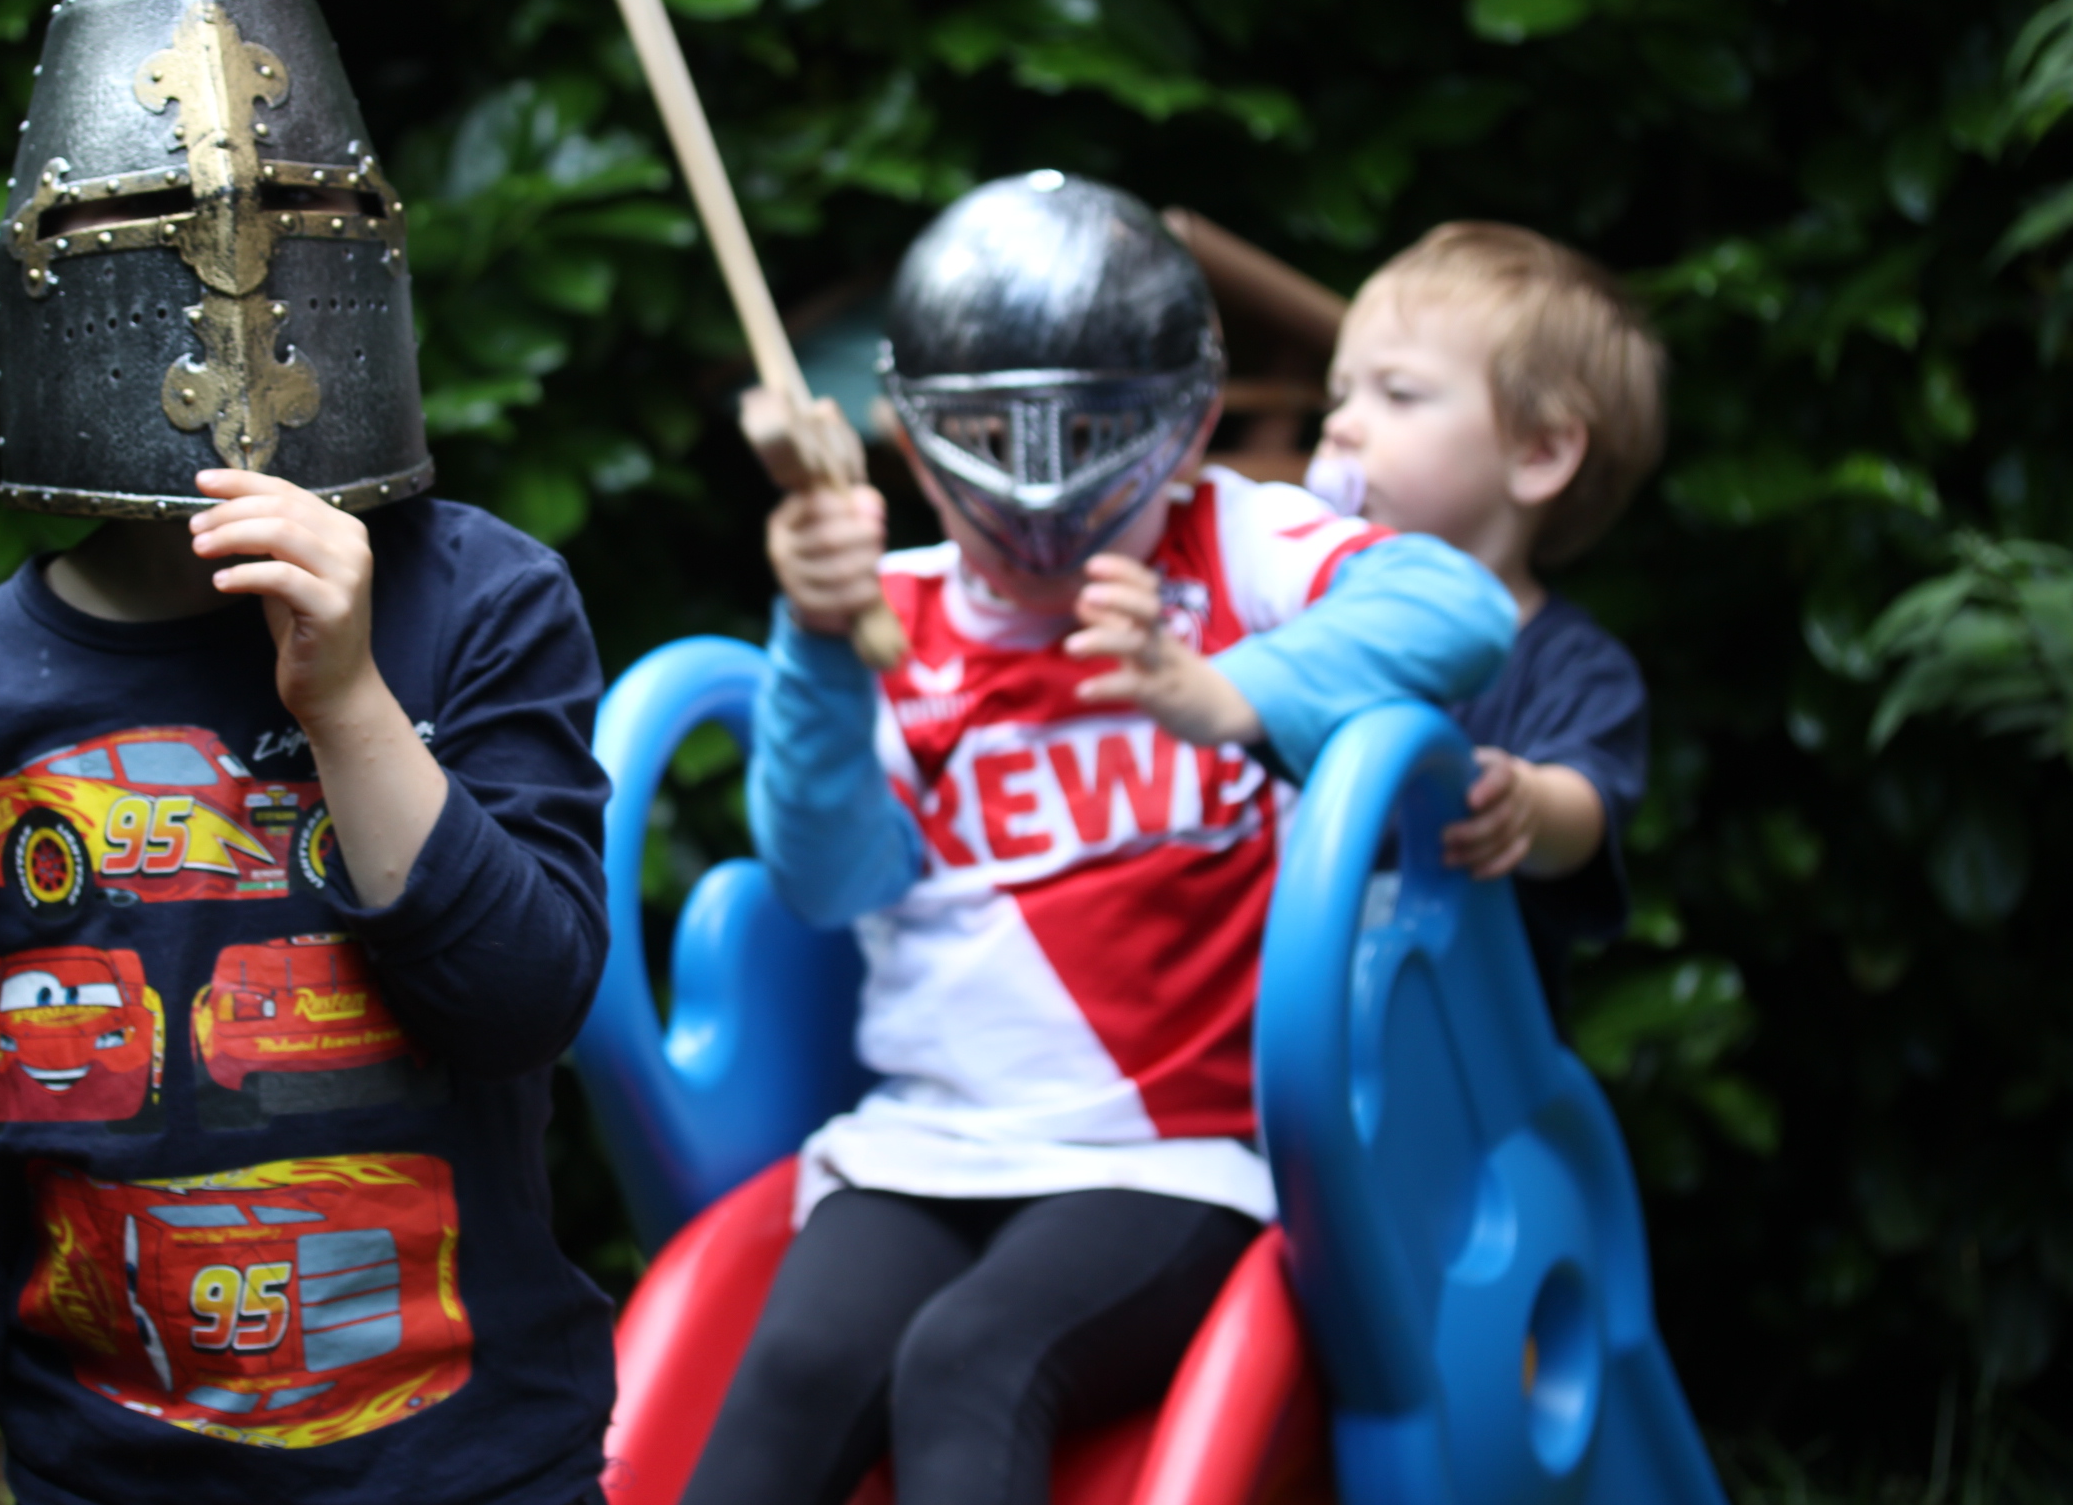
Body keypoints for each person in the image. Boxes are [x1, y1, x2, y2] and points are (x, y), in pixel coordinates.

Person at [0, 0, 615, 1505]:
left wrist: (352, 697)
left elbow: (521, 1006)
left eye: (291, 213)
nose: (230, 257)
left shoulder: (485, 605)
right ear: (48, 262)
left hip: (471, 1473)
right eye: (149, 223)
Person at [676, 173, 1516, 1505]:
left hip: (1181, 1157)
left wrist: (1240, 693)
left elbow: (1459, 607)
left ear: (1185, 425)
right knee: (795, 1369)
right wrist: (819, 643)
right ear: (912, 439)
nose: (1042, 498)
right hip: (925, 1143)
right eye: (993, 443)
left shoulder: (1243, 548)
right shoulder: (885, 610)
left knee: (973, 1360)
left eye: (1095, 434)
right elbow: (827, 878)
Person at [1308, 221, 1663, 1018]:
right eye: (1340, 393)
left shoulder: (1569, 665)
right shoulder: (1302, 625)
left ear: (1538, 452)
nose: (1340, 425)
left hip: (1466, 1075)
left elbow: (1586, 803)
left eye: (1396, 395)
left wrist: (1527, 805)